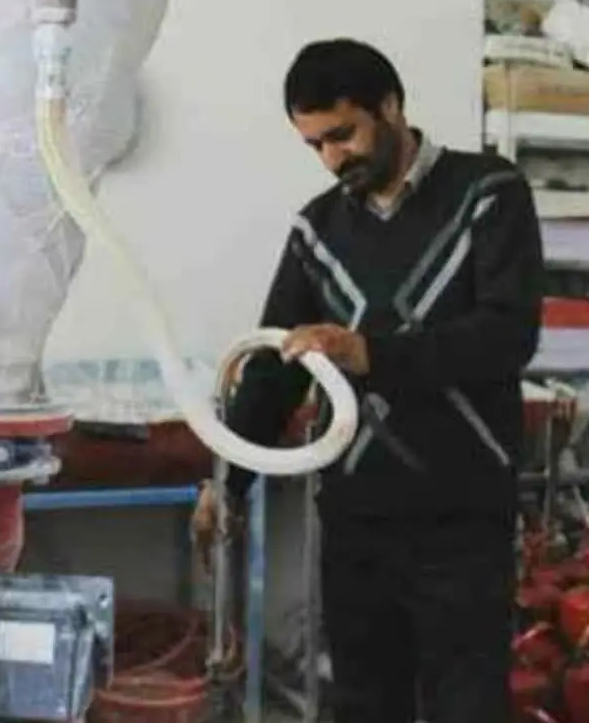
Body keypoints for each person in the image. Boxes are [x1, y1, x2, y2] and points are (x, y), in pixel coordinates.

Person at [191, 38, 544, 723]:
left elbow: (506, 338)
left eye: (343, 135)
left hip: (462, 515)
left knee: (466, 706)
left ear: (390, 107)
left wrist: (370, 354)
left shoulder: (488, 194)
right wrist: (227, 482)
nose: (332, 159)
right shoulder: (316, 229)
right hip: (356, 519)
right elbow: (276, 368)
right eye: (315, 145)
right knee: (363, 704)